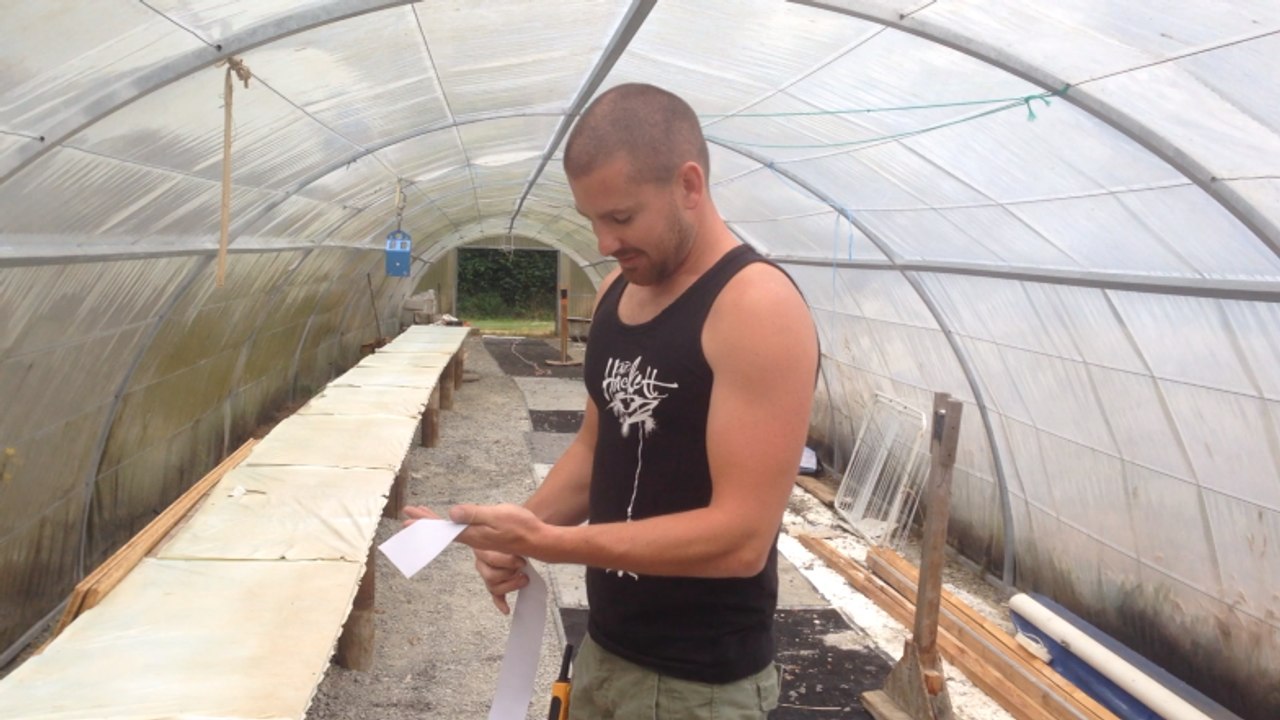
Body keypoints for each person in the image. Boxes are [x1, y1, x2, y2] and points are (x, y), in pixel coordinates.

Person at [405, 83, 818, 719]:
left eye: (621, 218)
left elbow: (741, 538)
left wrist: (552, 543)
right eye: (591, 221)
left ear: (688, 186)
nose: (602, 243)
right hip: (604, 650)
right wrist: (516, 531)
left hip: (699, 686)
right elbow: (598, 449)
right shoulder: (614, 297)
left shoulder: (754, 307)